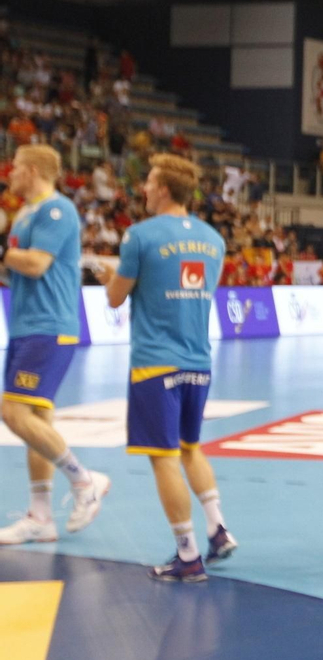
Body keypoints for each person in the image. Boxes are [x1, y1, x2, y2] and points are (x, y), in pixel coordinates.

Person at [101, 155, 234, 581]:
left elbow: (116, 298)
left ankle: (188, 554)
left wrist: (110, 275)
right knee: (190, 447)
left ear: (163, 189)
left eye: (149, 182)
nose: (143, 189)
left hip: (155, 363)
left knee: (163, 458)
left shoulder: (139, 236)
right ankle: (218, 528)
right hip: (198, 360)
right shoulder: (214, 239)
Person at [0, 146, 112, 546]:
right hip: (26, 325)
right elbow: (13, 267)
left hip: (49, 326)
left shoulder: (57, 210)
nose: (9, 173)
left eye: (14, 167)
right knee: (36, 425)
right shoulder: (24, 213)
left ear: (31, 171)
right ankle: (40, 517)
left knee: (11, 411)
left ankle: (85, 480)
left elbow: (35, 264)